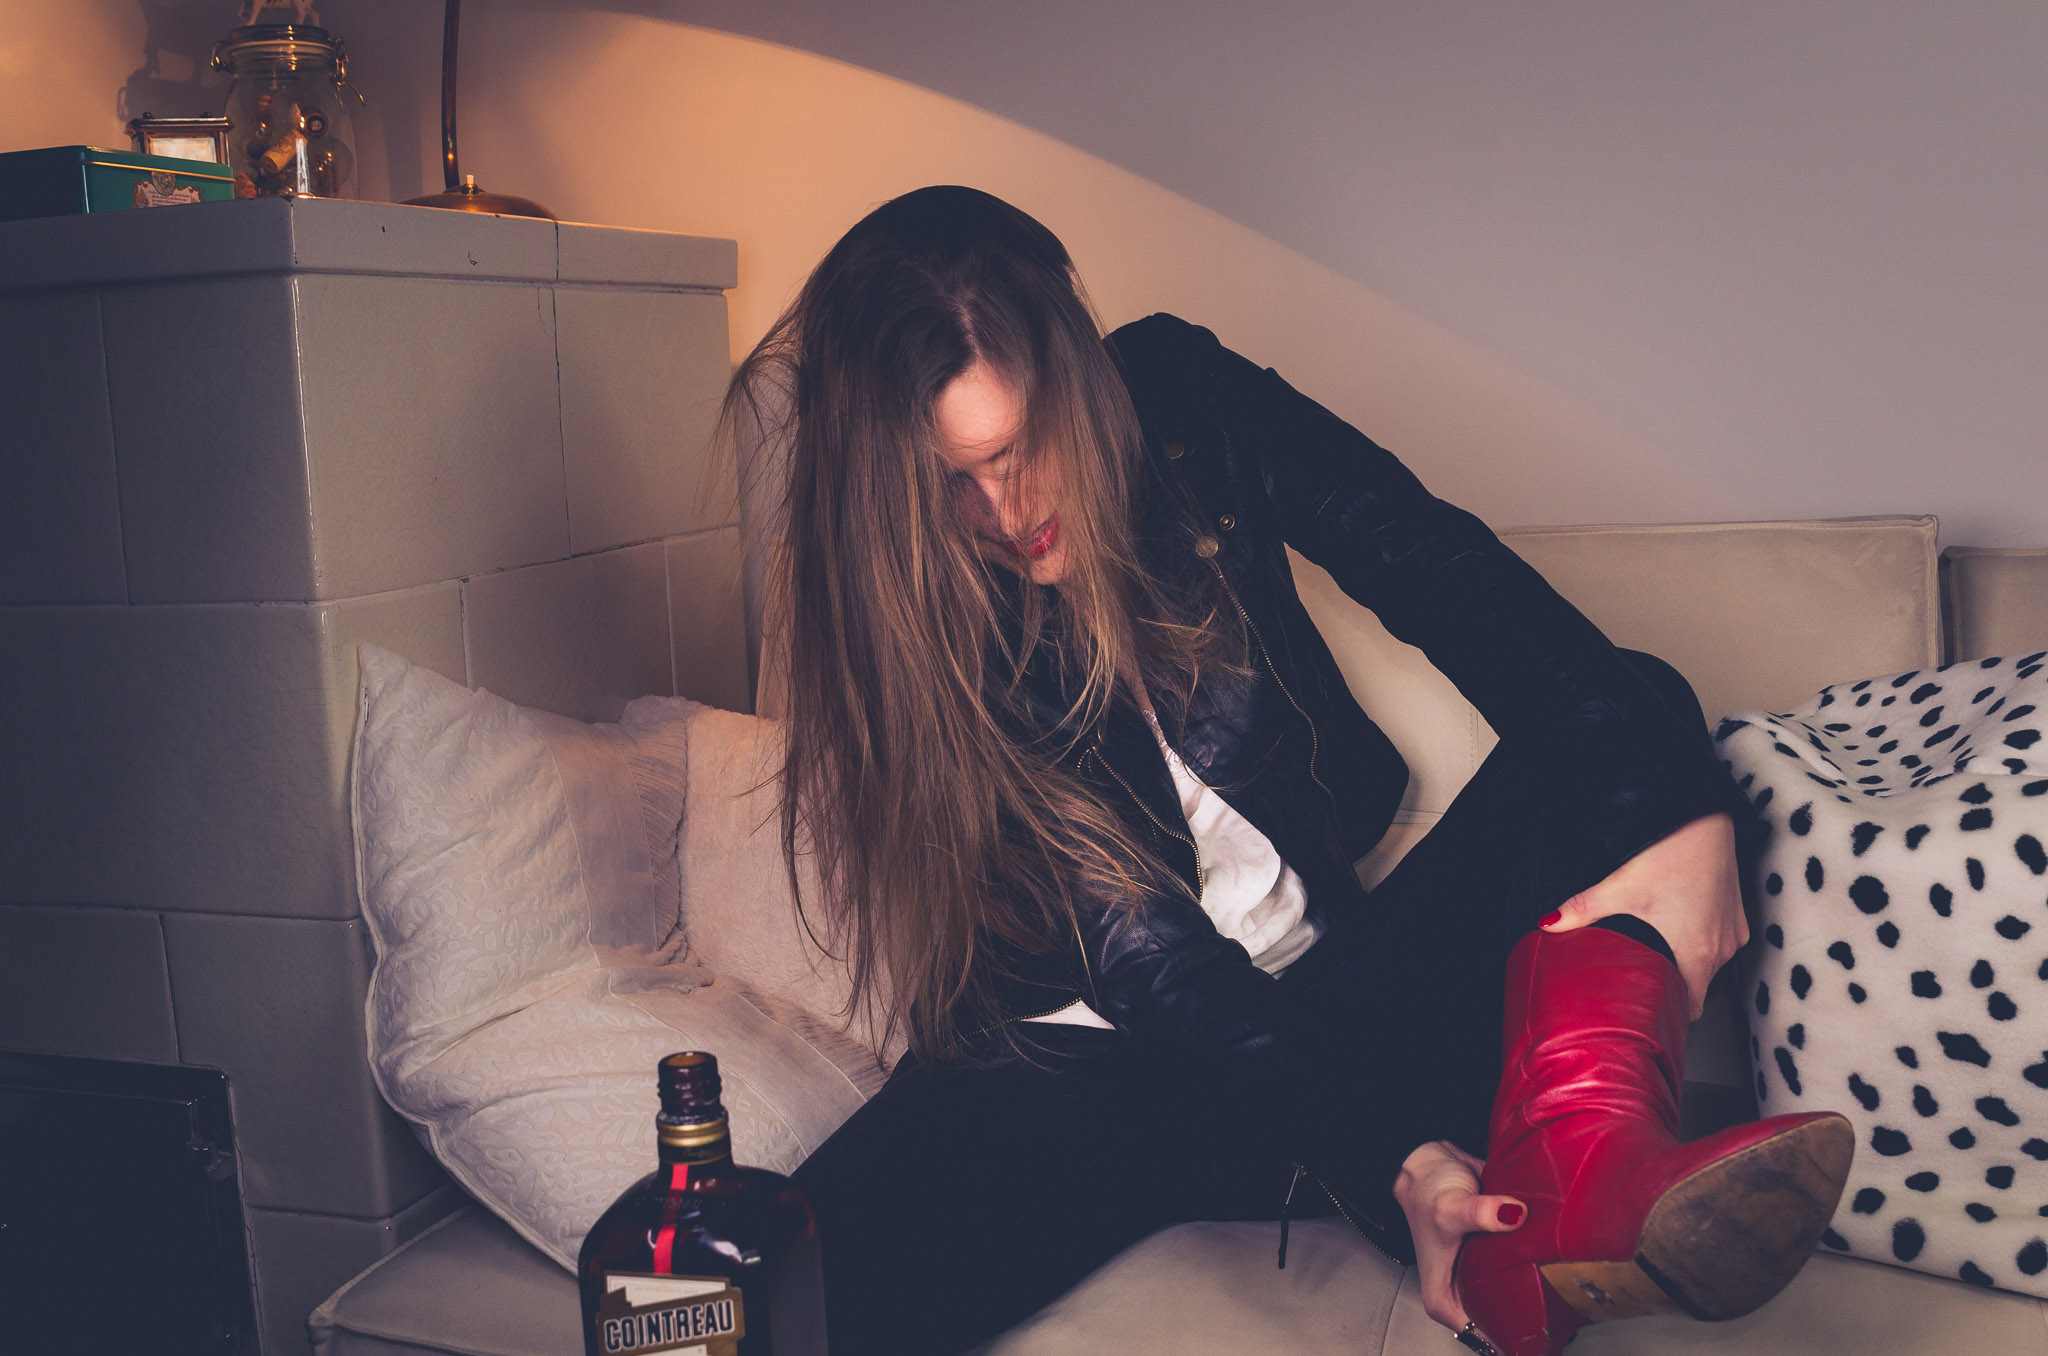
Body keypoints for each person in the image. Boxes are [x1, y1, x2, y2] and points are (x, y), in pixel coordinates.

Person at [726, 184, 1852, 1356]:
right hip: (1088, 1079)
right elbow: (1148, 960)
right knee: (728, 1314)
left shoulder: (1183, 400)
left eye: (1017, 451)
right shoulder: (902, 612)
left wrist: (1684, 824)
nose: (1002, 512)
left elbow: (1452, 577)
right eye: (948, 482)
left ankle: (1578, 1179)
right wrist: (1395, 1161)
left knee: (1628, 711)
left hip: (1333, 1014)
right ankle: (1516, 1211)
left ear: (1080, 383)